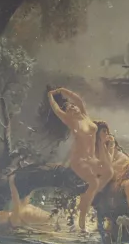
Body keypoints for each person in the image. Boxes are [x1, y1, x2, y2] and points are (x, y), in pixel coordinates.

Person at [47, 87, 114, 231]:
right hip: (79, 161)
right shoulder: (71, 121)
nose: (72, 108)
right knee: (94, 182)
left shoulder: (85, 115)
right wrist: (50, 95)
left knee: (109, 172)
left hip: (92, 159)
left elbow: (77, 99)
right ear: (68, 114)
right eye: (69, 109)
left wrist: (63, 90)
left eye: (73, 106)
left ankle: (87, 197)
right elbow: (56, 109)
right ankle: (82, 217)